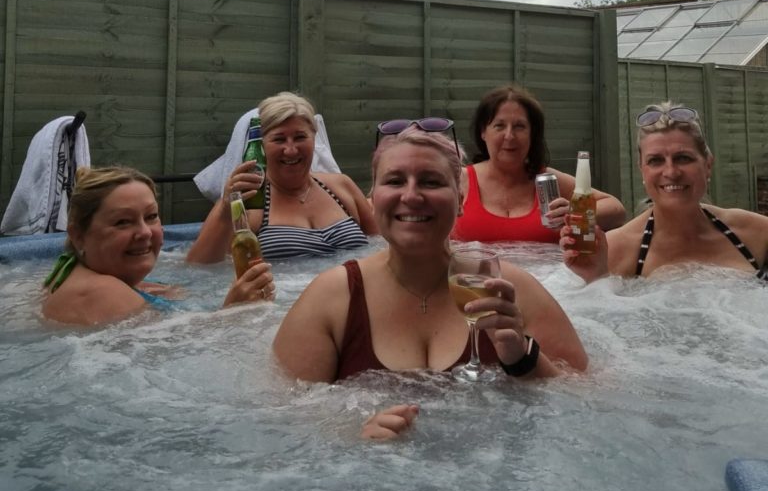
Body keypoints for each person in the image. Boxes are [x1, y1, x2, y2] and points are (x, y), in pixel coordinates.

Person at [273, 124, 588, 440]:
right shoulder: (332, 299)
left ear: (461, 200)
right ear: (373, 199)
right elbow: (280, 426)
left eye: (431, 181)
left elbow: (590, 405)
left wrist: (523, 357)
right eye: (395, 181)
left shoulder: (508, 288)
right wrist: (349, 435)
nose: (411, 195)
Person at [561, 102, 768, 282]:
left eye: (683, 158)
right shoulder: (614, 249)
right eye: (656, 161)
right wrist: (595, 279)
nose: (671, 172)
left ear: (708, 165)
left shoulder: (758, 234)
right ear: (642, 170)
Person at [41, 166, 274, 326]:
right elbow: (185, 351)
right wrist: (234, 311)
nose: (144, 232)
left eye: (151, 216)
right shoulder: (100, 292)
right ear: (79, 235)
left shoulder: (75, 272)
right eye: (123, 222)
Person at [186, 92, 376, 265]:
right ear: (261, 144)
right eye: (279, 139)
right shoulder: (250, 200)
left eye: (300, 137)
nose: (291, 150)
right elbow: (199, 269)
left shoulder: (341, 186)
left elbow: (383, 245)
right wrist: (224, 210)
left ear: (314, 138)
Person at [451, 85, 626, 244]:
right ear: (483, 132)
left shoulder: (548, 180)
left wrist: (575, 214)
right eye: (499, 126)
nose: (509, 136)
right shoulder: (459, 180)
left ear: (532, 134)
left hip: (547, 279)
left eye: (519, 126)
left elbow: (616, 210)